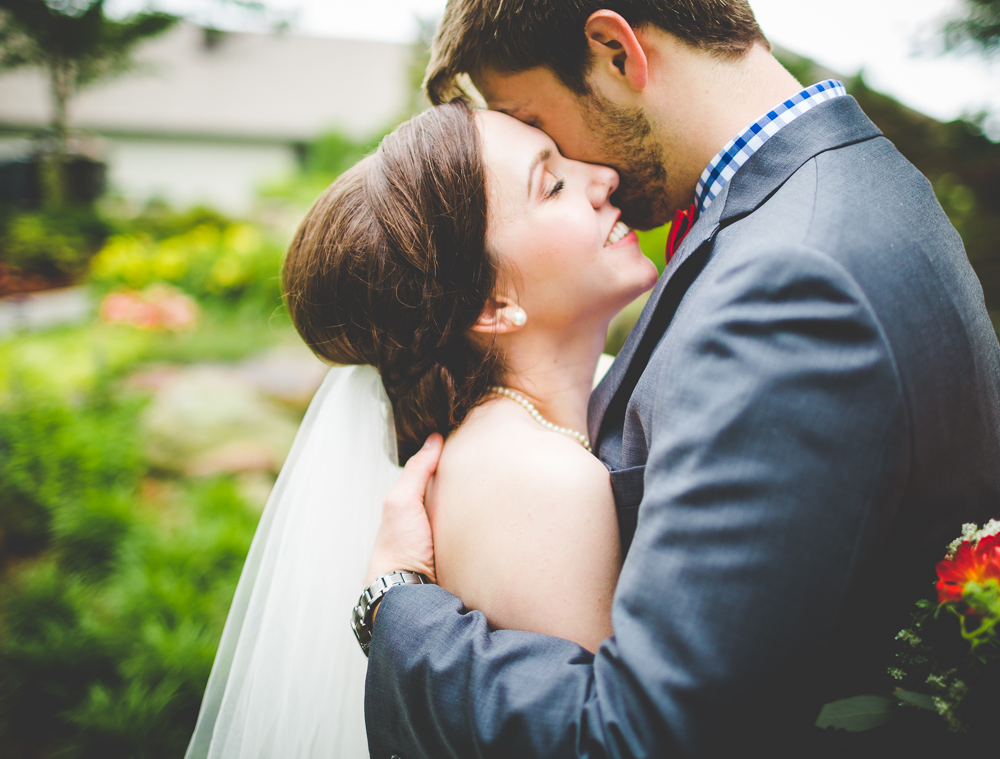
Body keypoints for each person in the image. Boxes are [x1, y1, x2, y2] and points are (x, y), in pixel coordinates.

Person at [359, 0, 1000, 756]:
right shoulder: (857, 191)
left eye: (538, 121)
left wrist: (397, 606)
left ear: (615, 52)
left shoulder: (791, 278)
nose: (581, 171)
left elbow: (646, 733)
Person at [185, 99, 659, 756]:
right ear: (493, 305)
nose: (602, 177)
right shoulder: (541, 478)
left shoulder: (515, 440)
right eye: (552, 183)